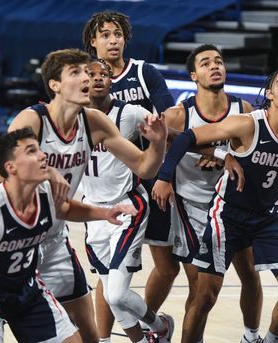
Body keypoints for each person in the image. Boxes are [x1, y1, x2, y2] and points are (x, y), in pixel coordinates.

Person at [0, 48, 167, 342]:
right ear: (55, 85)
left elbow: (144, 167)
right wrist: (43, 169)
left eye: (88, 73)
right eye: (77, 73)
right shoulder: (32, 119)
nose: (88, 78)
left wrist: (159, 144)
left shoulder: (95, 122)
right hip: (13, 240)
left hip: (54, 239)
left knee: (87, 330)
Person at [0, 127, 139, 342]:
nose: (43, 155)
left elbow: (66, 209)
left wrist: (105, 213)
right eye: (31, 151)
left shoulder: (44, 192)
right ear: (11, 168)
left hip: (27, 287)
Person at [156, 68, 278, 343]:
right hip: (227, 216)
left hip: (266, 217)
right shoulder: (247, 124)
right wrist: (165, 177)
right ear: (270, 94)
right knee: (205, 296)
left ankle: (263, 340)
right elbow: (186, 137)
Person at [152, 44, 263, 343]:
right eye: (205, 63)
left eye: (219, 61)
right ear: (193, 75)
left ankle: (252, 336)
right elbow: (160, 155)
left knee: (250, 275)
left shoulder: (245, 112)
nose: (214, 66)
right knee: (202, 289)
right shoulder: (178, 115)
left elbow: (255, 158)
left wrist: (229, 155)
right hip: (194, 208)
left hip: (233, 208)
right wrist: (167, 180)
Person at [83, 11, 177, 341]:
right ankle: (109, 337)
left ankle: (157, 327)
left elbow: (171, 120)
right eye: (105, 34)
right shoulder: (77, 99)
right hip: (97, 202)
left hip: (144, 184)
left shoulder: (142, 75)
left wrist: (166, 167)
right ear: (92, 42)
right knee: (108, 283)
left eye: (117, 34)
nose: (113, 40)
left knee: (163, 266)